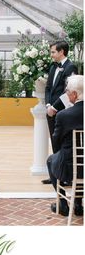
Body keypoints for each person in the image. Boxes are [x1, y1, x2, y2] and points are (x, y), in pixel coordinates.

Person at [47, 75, 83, 217]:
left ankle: (63, 204)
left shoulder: (63, 115)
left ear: (74, 94)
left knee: (51, 160)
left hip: (69, 167)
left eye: (67, 91)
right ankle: (78, 205)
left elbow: (56, 143)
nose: (66, 94)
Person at [42, 40, 77, 184]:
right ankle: (56, 174)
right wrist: (48, 105)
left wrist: (55, 108)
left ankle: (66, 176)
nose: (51, 55)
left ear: (62, 52)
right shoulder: (53, 67)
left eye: (53, 52)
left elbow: (67, 92)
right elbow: (48, 88)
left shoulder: (71, 67)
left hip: (64, 112)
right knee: (55, 142)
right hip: (51, 110)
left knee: (65, 144)